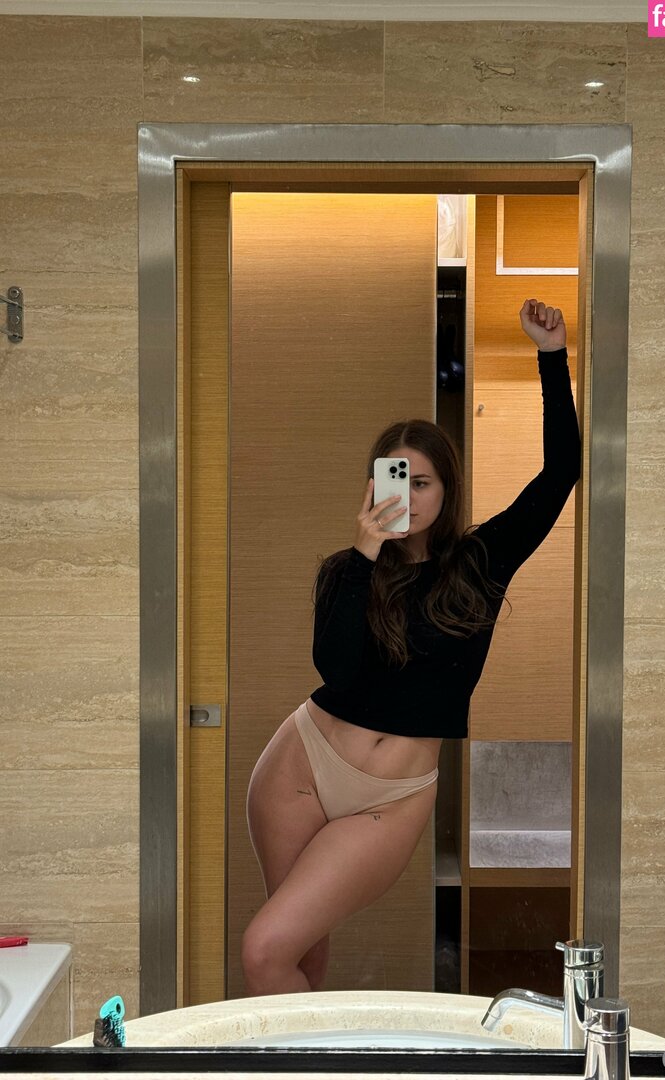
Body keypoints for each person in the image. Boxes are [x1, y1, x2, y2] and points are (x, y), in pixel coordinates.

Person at [241, 298, 582, 996]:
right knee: (298, 953)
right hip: (299, 765)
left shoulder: (480, 561)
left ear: (445, 489)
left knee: (263, 949)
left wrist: (552, 357)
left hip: (390, 797)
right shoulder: (346, 569)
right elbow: (337, 670)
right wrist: (365, 555)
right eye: (395, 481)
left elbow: (560, 475)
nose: (409, 497)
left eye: (421, 482)